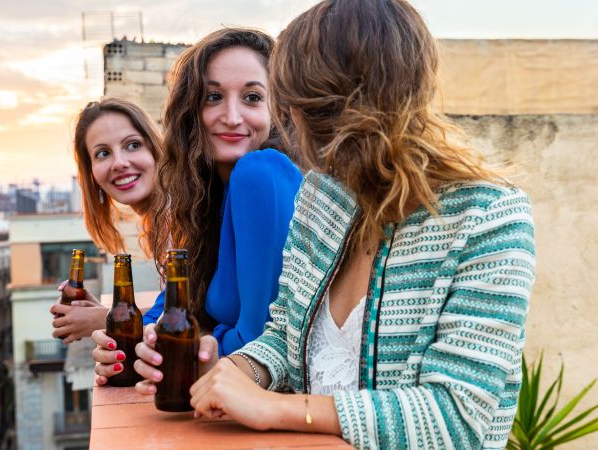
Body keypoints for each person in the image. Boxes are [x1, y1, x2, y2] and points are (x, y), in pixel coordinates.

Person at [145, 1, 535, 449]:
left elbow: (457, 418)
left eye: (292, 103)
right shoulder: (321, 197)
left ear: (334, 108)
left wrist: (277, 407)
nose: (287, 121)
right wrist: (231, 371)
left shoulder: (488, 217)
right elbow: (283, 337)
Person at [90, 28, 303, 384]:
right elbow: (179, 304)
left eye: (252, 97)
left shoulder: (260, 173)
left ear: (276, 110)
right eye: (213, 97)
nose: (232, 116)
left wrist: (189, 342)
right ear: (191, 110)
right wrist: (131, 341)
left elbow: (258, 345)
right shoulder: (207, 200)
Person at [50, 98, 163, 343]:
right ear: (91, 174)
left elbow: (192, 319)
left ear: (155, 149)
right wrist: (106, 314)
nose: (120, 163)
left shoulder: (180, 217)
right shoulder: (160, 221)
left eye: (133, 145)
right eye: (103, 153)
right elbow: (171, 312)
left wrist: (104, 320)